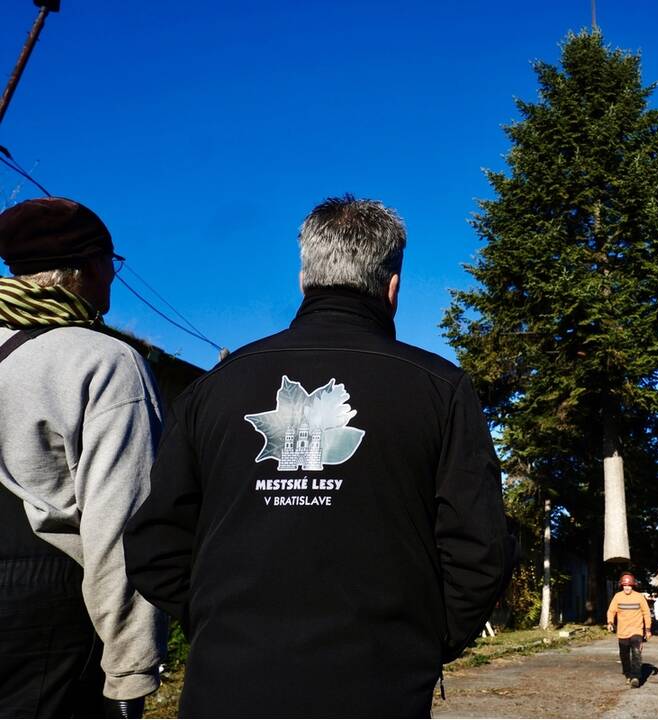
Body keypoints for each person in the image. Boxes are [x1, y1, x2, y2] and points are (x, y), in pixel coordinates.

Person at [124, 194, 514, 718]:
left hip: (227, 687)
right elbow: (480, 547)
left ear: (304, 278)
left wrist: (216, 622)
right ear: (392, 286)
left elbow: (154, 543)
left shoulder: (215, 388)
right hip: (381, 688)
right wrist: (424, 639)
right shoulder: (440, 389)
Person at [0, 197, 166, 718]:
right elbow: (122, 527)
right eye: (110, 265)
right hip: (48, 620)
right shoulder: (104, 361)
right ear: (89, 267)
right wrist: (130, 671)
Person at [606, 572, 652, 688]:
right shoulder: (618, 597)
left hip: (636, 630)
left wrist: (647, 629)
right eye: (625, 586)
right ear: (622, 586)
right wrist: (610, 622)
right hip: (622, 631)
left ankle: (635, 677)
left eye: (629, 586)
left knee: (636, 652)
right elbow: (611, 611)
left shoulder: (639, 597)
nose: (627, 588)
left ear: (633, 586)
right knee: (624, 655)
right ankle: (627, 674)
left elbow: (646, 613)